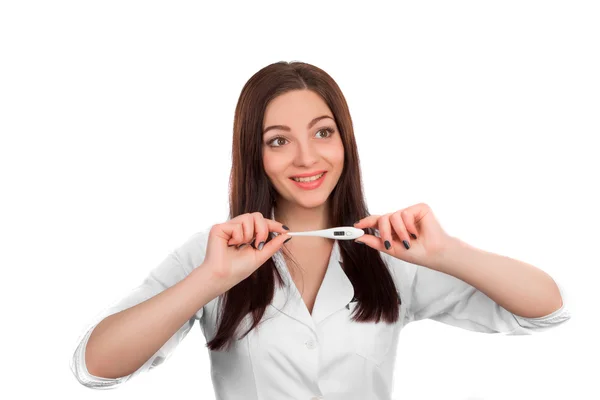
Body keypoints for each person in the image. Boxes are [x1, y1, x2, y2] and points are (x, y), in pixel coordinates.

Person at [69, 61, 571, 399]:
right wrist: (209, 281)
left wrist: (449, 253)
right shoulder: (212, 255)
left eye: (322, 132)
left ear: (344, 141)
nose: (307, 158)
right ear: (254, 155)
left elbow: (548, 311)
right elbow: (94, 367)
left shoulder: (393, 255)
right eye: (279, 140)